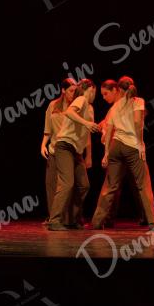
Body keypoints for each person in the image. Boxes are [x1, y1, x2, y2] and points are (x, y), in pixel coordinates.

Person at [91, 76, 154, 229]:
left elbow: (109, 130)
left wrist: (106, 153)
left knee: (110, 186)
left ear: (119, 89)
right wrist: (140, 143)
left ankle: (96, 222)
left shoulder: (114, 107)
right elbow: (137, 122)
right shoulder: (138, 101)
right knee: (143, 184)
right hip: (131, 146)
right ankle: (152, 222)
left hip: (115, 146)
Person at [48, 78, 100, 231]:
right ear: (90, 89)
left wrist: (88, 155)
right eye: (95, 92)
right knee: (67, 183)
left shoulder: (90, 108)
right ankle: (54, 220)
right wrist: (86, 123)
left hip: (76, 150)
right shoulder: (81, 99)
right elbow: (69, 112)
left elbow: (87, 131)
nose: (95, 95)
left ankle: (71, 219)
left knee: (84, 185)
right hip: (64, 146)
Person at [41, 77, 77, 224]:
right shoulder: (53, 105)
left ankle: (68, 218)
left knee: (67, 185)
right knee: (51, 184)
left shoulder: (76, 107)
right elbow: (48, 129)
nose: (73, 94)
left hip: (69, 150)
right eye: (71, 91)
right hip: (54, 149)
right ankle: (53, 217)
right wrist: (43, 145)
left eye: (75, 91)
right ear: (63, 90)